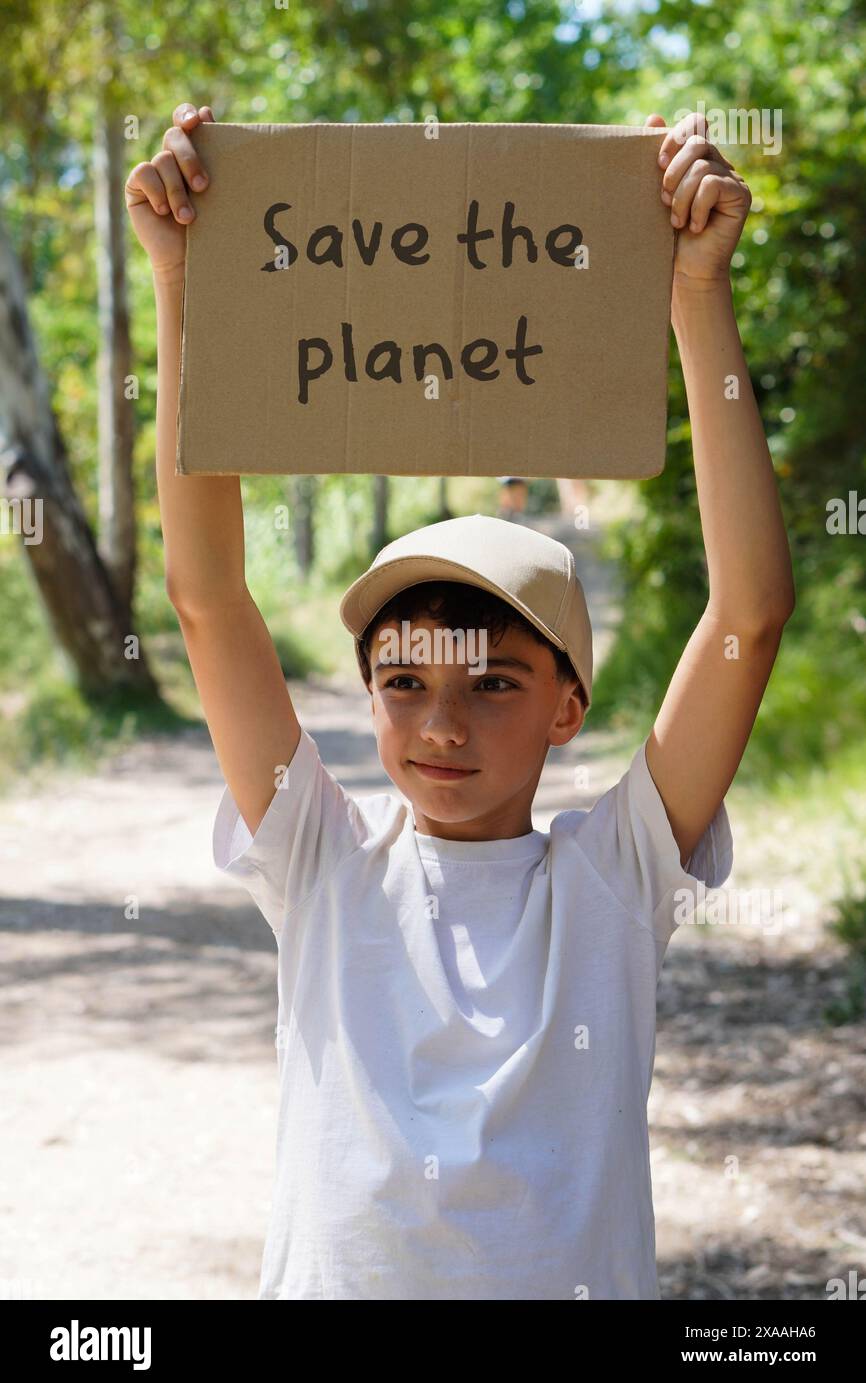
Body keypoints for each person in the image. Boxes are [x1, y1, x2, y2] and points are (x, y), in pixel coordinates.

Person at [126, 103, 794, 1300]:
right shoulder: (321, 862)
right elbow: (207, 599)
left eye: (493, 685)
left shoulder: (613, 878)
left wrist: (692, 293)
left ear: (566, 706)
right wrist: (191, 287)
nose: (440, 726)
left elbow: (747, 614)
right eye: (404, 683)